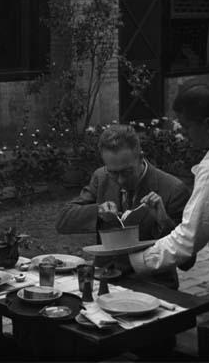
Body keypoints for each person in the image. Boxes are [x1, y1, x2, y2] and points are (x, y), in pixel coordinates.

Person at [129, 84, 209, 323]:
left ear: (208, 124)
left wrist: (135, 261)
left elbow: (188, 240)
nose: (183, 133)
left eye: (186, 127)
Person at [56, 124, 193, 289]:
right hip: (106, 281)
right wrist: (98, 211)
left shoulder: (173, 190)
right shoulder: (101, 177)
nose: (120, 180)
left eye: (126, 172)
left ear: (141, 157)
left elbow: (187, 262)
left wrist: (163, 221)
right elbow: (63, 221)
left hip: (153, 286)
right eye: (113, 172)